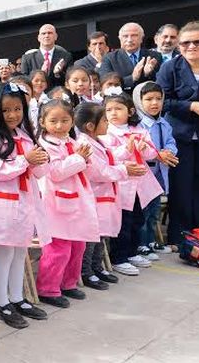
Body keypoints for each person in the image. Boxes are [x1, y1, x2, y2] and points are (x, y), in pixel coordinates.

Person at [0, 82, 49, 329]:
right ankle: (2, 302)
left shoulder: (24, 135)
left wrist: (39, 160)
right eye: (6, 110)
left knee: (21, 252)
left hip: (24, 205)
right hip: (2, 207)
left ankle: (18, 298)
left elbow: (37, 171)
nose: (13, 115)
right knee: (5, 253)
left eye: (17, 109)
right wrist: (24, 160)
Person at [156, 21, 199, 244]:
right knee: (181, 186)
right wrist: (191, 106)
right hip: (179, 137)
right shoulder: (169, 68)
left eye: (197, 42)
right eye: (185, 43)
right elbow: (162, 101)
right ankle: (180, 237)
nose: (191, 46)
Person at [32, 100, 100, 309]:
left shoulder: (73, 142)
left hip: (76, 202)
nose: (59, 126)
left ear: (72, 122)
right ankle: (48, 288)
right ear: (43, 122)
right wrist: (79, 159)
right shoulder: (44, 146)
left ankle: (68, 283)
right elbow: (56, 172)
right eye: (54, 121)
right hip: (56, 203)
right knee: (58, 249)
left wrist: (84, 159)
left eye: (65, 121)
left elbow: (87, 167)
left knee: (77, 245)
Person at [102, 93, 162, 276]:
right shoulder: (106, 133)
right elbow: (109, 156)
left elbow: (153, 153)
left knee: (138, 219)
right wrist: (126, 148)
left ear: (130, 111)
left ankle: (132, 252)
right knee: (123, 222)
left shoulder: (140, 130)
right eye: (109, 110)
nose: (113, 113)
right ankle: (119, 257)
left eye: (118, 109)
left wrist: (145, 149)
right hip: (122, 184)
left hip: (140, 185)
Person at [75, 103, 128, 290]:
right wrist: (124, 169)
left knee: (103, 233)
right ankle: (86, 271)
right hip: (94, 195)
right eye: (104, 120)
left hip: (104, 196)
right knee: (92, 236)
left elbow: (111, 157)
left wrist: (128, 151)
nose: (107, 123)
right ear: (90, 125)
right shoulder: (84, 143)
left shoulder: (98, 141)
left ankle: (97, 267)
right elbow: (98, 172)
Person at [133, 81, 178, 258]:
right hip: (145, 175)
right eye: (148, 99)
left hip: (159, 173)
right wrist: (157, 154)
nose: (154, 103)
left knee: (154, 211)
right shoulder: (137, 126)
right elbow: (140, 148)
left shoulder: (164, 124)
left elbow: (170, 142)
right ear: (138, 101)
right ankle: (141, 244)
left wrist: (168, 152)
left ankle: (151, 241)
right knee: (143, 212)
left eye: (158, 99)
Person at [100, 22, 163, 93]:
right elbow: (105, 85)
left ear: (142, 38)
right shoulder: (109, 58)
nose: (129, 40)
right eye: (125, 36)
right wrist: (132, 78)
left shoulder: (154, 56)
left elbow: (160, 82)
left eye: (134, 35)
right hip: (122, 100)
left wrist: (147, 74)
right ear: (120, 39)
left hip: (147, 99)